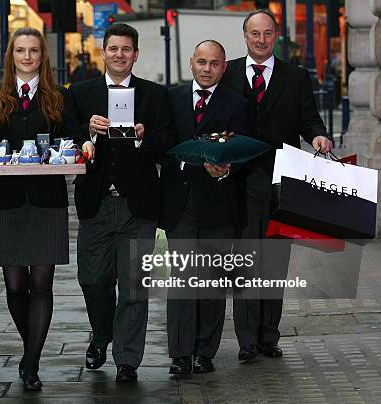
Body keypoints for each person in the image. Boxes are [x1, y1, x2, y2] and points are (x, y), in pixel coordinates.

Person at [0, 26, 69, 392]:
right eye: (20, 50)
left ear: (42, 56)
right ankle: (28, 348)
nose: (27, 57)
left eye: (34, 51)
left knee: (41, 283)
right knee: (16, 287)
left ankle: (31, 363)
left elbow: (73, 137)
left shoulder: (57, 98)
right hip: (5, 203)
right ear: (11, 56)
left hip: (46, 202)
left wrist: (86, 145)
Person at [64, 23, 173, 382]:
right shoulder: (80, 93)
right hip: (96, 203)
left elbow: (168, 140)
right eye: (113, 49)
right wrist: (86, 133)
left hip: (137, 205)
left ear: (136, 54)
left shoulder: (155, 95)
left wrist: (144, 137)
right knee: (93, 279)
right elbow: (63, 137)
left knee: (134, 288)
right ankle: (101, 333)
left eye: (126, 49)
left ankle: (128, 360)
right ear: (103, 52)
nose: (119, 55)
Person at [221, 9, 332, 362]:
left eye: (268, 33)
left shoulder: (296, 76)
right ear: (245, 36)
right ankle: (247, 340)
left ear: (276, 35)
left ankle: (269, 335)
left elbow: (308, 118)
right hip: (239, 183)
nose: (261, 39)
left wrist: (318, 136)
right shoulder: (229, 73)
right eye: (255, 33)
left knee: (274, 262)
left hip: (282, 182)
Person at [159, 40, 249, 376]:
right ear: (191, 63)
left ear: (224, 67)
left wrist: (227, 168)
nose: (207, 68)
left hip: (218, 204)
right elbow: (163, 143)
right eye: (201, 61)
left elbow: (245, 150)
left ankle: (204, 351)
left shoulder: (237, 105)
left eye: (214, 63)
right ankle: (180, 354)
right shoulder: (172, 98)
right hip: (180, 204)